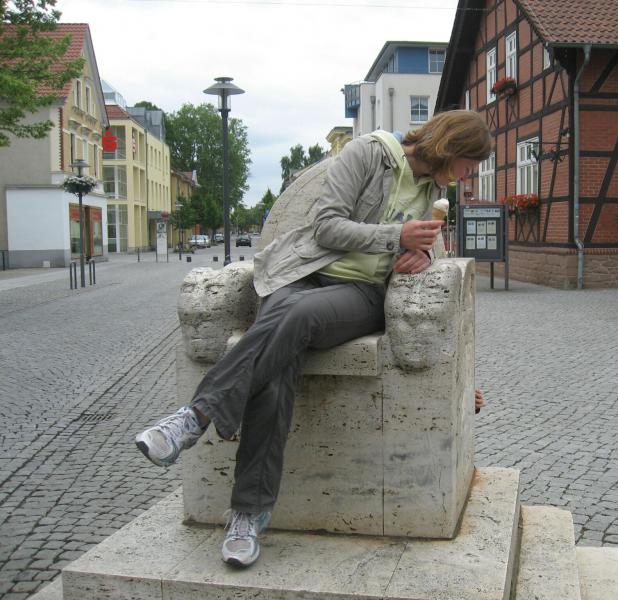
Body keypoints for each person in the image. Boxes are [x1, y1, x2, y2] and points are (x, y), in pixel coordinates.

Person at [134, 110, 492, 569]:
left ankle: (196, 415)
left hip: (360, 294)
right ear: (450, 147)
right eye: (469, 163)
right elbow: (326, 225)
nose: (468, 174)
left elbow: (426, 252)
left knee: (295, 316)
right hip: (304, 273)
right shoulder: (369, 154)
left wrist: (421, 256)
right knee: (277, 369)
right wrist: (396, 236)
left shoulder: (432, 192)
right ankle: (248, 514)